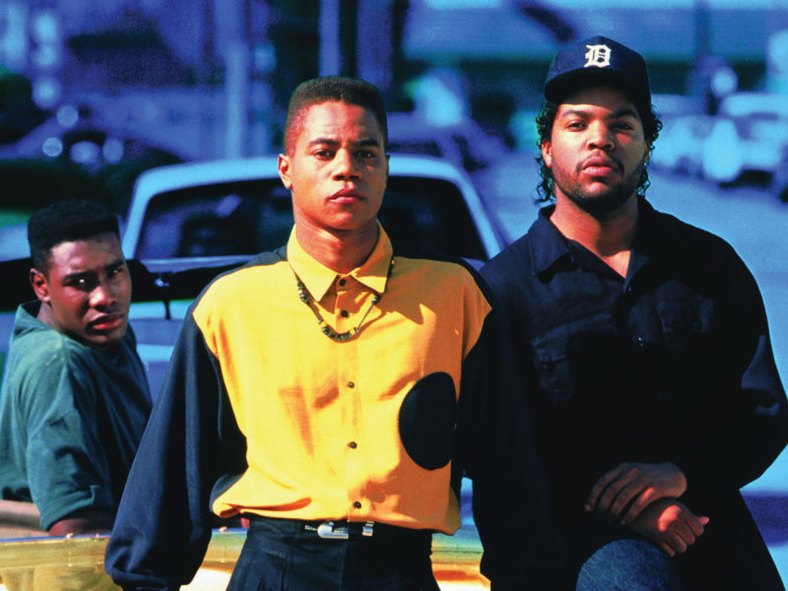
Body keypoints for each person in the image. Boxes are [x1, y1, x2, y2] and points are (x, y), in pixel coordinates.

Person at [105, 76, 562, 590]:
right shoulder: (230, 306)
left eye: (367, 153)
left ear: (386, 167)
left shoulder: (455, 297)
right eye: (324, 152)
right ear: (287, 169)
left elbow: (511, 475)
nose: (347, 168)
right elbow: (169, 479)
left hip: (403, 570)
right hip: (274, 570)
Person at [481, 35, 788, 590]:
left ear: (647, 144)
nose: (601, 139)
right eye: (577, 124)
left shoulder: (708, 266)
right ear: (547, 146)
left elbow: (761, 412)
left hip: (707, 535)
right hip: (566, 556)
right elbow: (502, 457)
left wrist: (682, 474)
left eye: (622, 125)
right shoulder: (503, 291)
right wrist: (628, 510)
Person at [0, 198, 152, 536]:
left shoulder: (108, 336)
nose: (104, 296)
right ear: (41, 286)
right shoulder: (58, 363)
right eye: (81, 282)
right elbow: (75, 530)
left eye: (115, 272)